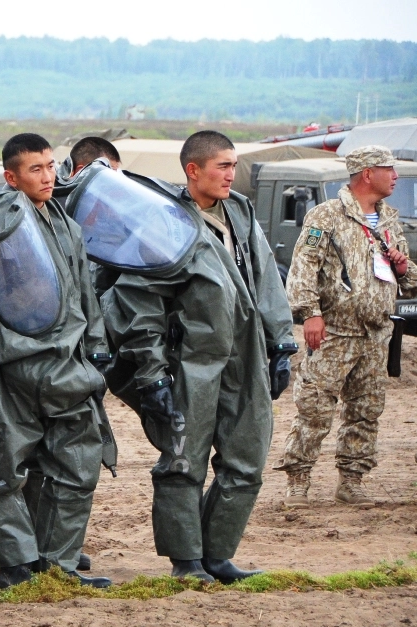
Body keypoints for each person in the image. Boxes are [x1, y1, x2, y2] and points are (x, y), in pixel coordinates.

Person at [90, 130, 296, 584]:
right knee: (183, 459)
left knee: (247, 459)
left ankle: (218, 555)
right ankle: (186, 561)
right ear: (193, 170)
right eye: (222, 166)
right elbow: (137, 300)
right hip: (191, 360)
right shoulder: (165, 221)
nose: (231, 174)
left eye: (233, 164)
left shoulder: (240, 212)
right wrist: (153, 374)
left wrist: (281, 343)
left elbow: (265, 281)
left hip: (247, 356)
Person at [0, 133, 114, 589]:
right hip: (11, 369)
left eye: (52, 166)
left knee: (76, 465)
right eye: (36, 169)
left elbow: (83, 294)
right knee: (1, 468)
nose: (48, 176)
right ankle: (15, 565)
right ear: (11, 177)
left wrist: (96, 346)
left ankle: (58, 563)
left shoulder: (65, 225)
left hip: (66, 367)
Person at [274, 145, 417, 508]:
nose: (396, 176)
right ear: (367, 173)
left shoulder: (389, 220)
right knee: (315, 407)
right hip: (335, 331)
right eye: (390, 169)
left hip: (376, 333)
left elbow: (410, 279)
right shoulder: (326, 216)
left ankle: (352, 481)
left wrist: (404, 269)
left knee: (367, 409)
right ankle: (299, 481)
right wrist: (310, 313)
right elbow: (303, 268)